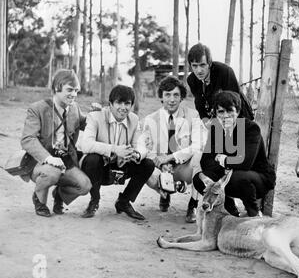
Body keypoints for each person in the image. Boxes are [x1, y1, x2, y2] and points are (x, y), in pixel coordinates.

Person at [20, 69, 92, 217]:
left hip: (65, 159)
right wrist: (48, 158)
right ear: (56, 88)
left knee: (85, 186)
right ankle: (39, 200)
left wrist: (97, 115)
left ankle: (59, 194)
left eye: (76, 91)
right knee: (52, 173)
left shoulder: (74, 108)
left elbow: (86, 124)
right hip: (40, 161)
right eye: (69, 90)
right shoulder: (37, 109)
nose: (74, 94)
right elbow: (27, 139)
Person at [192, 90, 276, 217]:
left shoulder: (251, 128)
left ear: (237, 111)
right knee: (199, 178)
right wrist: (224, 169)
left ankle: (253, 214)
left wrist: (223, 160)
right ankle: (229, 210)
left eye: (230, 111)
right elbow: (206, 161)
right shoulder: (216, 128)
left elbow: (245, 163)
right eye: (221, 111)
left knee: (237, 177)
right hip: (229, 176)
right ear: (215, 113)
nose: (226, 115)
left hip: (258, 177)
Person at [80, 85, 155, 220]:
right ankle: (94, 200)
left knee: (147, 164)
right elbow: (85, 145)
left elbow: (139, 144)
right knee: (92, 159)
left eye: (127, 103)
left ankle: (124, 202)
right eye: (119, 103)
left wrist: (135, 154)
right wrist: (115, 149)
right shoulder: (95, 116)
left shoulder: (134, 119)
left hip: (121, 166)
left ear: (131, 105)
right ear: (110, 104)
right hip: (99, 168)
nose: (123, 107)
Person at [141, 76, 207, 223]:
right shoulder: (150, 119)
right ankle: (165, 192)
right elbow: (146, 148)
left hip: (184, 167)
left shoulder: (193, 115)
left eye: (176, 95)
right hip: (162, 169)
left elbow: (198, 144)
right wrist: (161, 164)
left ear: (182, 97)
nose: (172, 99)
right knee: (142, 163)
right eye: (167, 95)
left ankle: (193, 204)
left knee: (200, 154)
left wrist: (171, 157)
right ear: (161, 97)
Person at [186, 42, 254, 123]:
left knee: (239, 135)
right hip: (217, 119)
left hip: (239, 117)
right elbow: (199, 103)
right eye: (195, 66)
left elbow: (235, 102)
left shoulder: (225, 72)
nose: (199, 70)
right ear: (190, 65)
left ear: (209, 63)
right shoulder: (192, 80)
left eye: (202, 65)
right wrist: (205, 120)